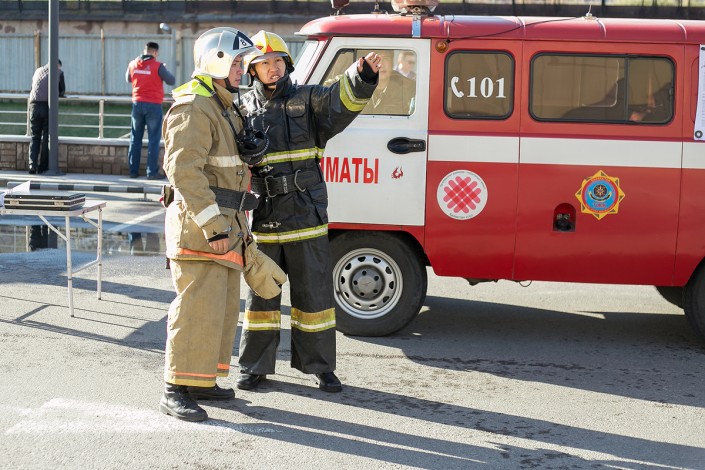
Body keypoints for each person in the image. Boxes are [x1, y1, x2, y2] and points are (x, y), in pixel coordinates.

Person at [236, 31, 379, 394]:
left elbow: (341, 101)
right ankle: (254, 367)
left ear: (287, 64)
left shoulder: (309, 99)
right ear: (252, 70)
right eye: (264, 63)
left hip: (306, 213)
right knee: (261, 296)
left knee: (314, 296)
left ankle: (321, 367)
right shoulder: (241, 109)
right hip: (265, 216)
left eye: (278, 61)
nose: (273, 68)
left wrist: (362, 75)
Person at [159, 27, 285, 422]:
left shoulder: (223, 105)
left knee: (220, 310)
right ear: (214, 60)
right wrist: (213, 226)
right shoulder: (195, 106)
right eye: (235, 62)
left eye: (242, 63)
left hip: (227, 226)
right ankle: (174, 388)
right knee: (195, 310)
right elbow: (185, 171)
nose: (241, 69)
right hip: (202, 229)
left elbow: (224, 166)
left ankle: (200, 381)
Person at [125, 41, 175, 179]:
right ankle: (151, 172)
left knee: (135, 138)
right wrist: (164, 69)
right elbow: (171, 80)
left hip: (137, 104)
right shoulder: (158, 66)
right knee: (153, 140)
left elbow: (128, 79)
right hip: (153, 105)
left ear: (145, 50)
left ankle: (133, 171)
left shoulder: (133, 64)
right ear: (155, 52)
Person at [27, 60, 65, 174]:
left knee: (35, 136)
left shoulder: (38, 71)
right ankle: (43, 167)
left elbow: (32, 87)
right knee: (46, 137)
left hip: (33, 106)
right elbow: (62, 91)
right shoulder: (58, 72)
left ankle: (32, 165)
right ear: (58, 65)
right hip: (46, 107)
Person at [364, 49, 415, 115]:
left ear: (392, 62)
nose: (381, 64)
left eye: (386, 58)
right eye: (375, 59)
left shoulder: (409, 89)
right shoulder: (359, 86)